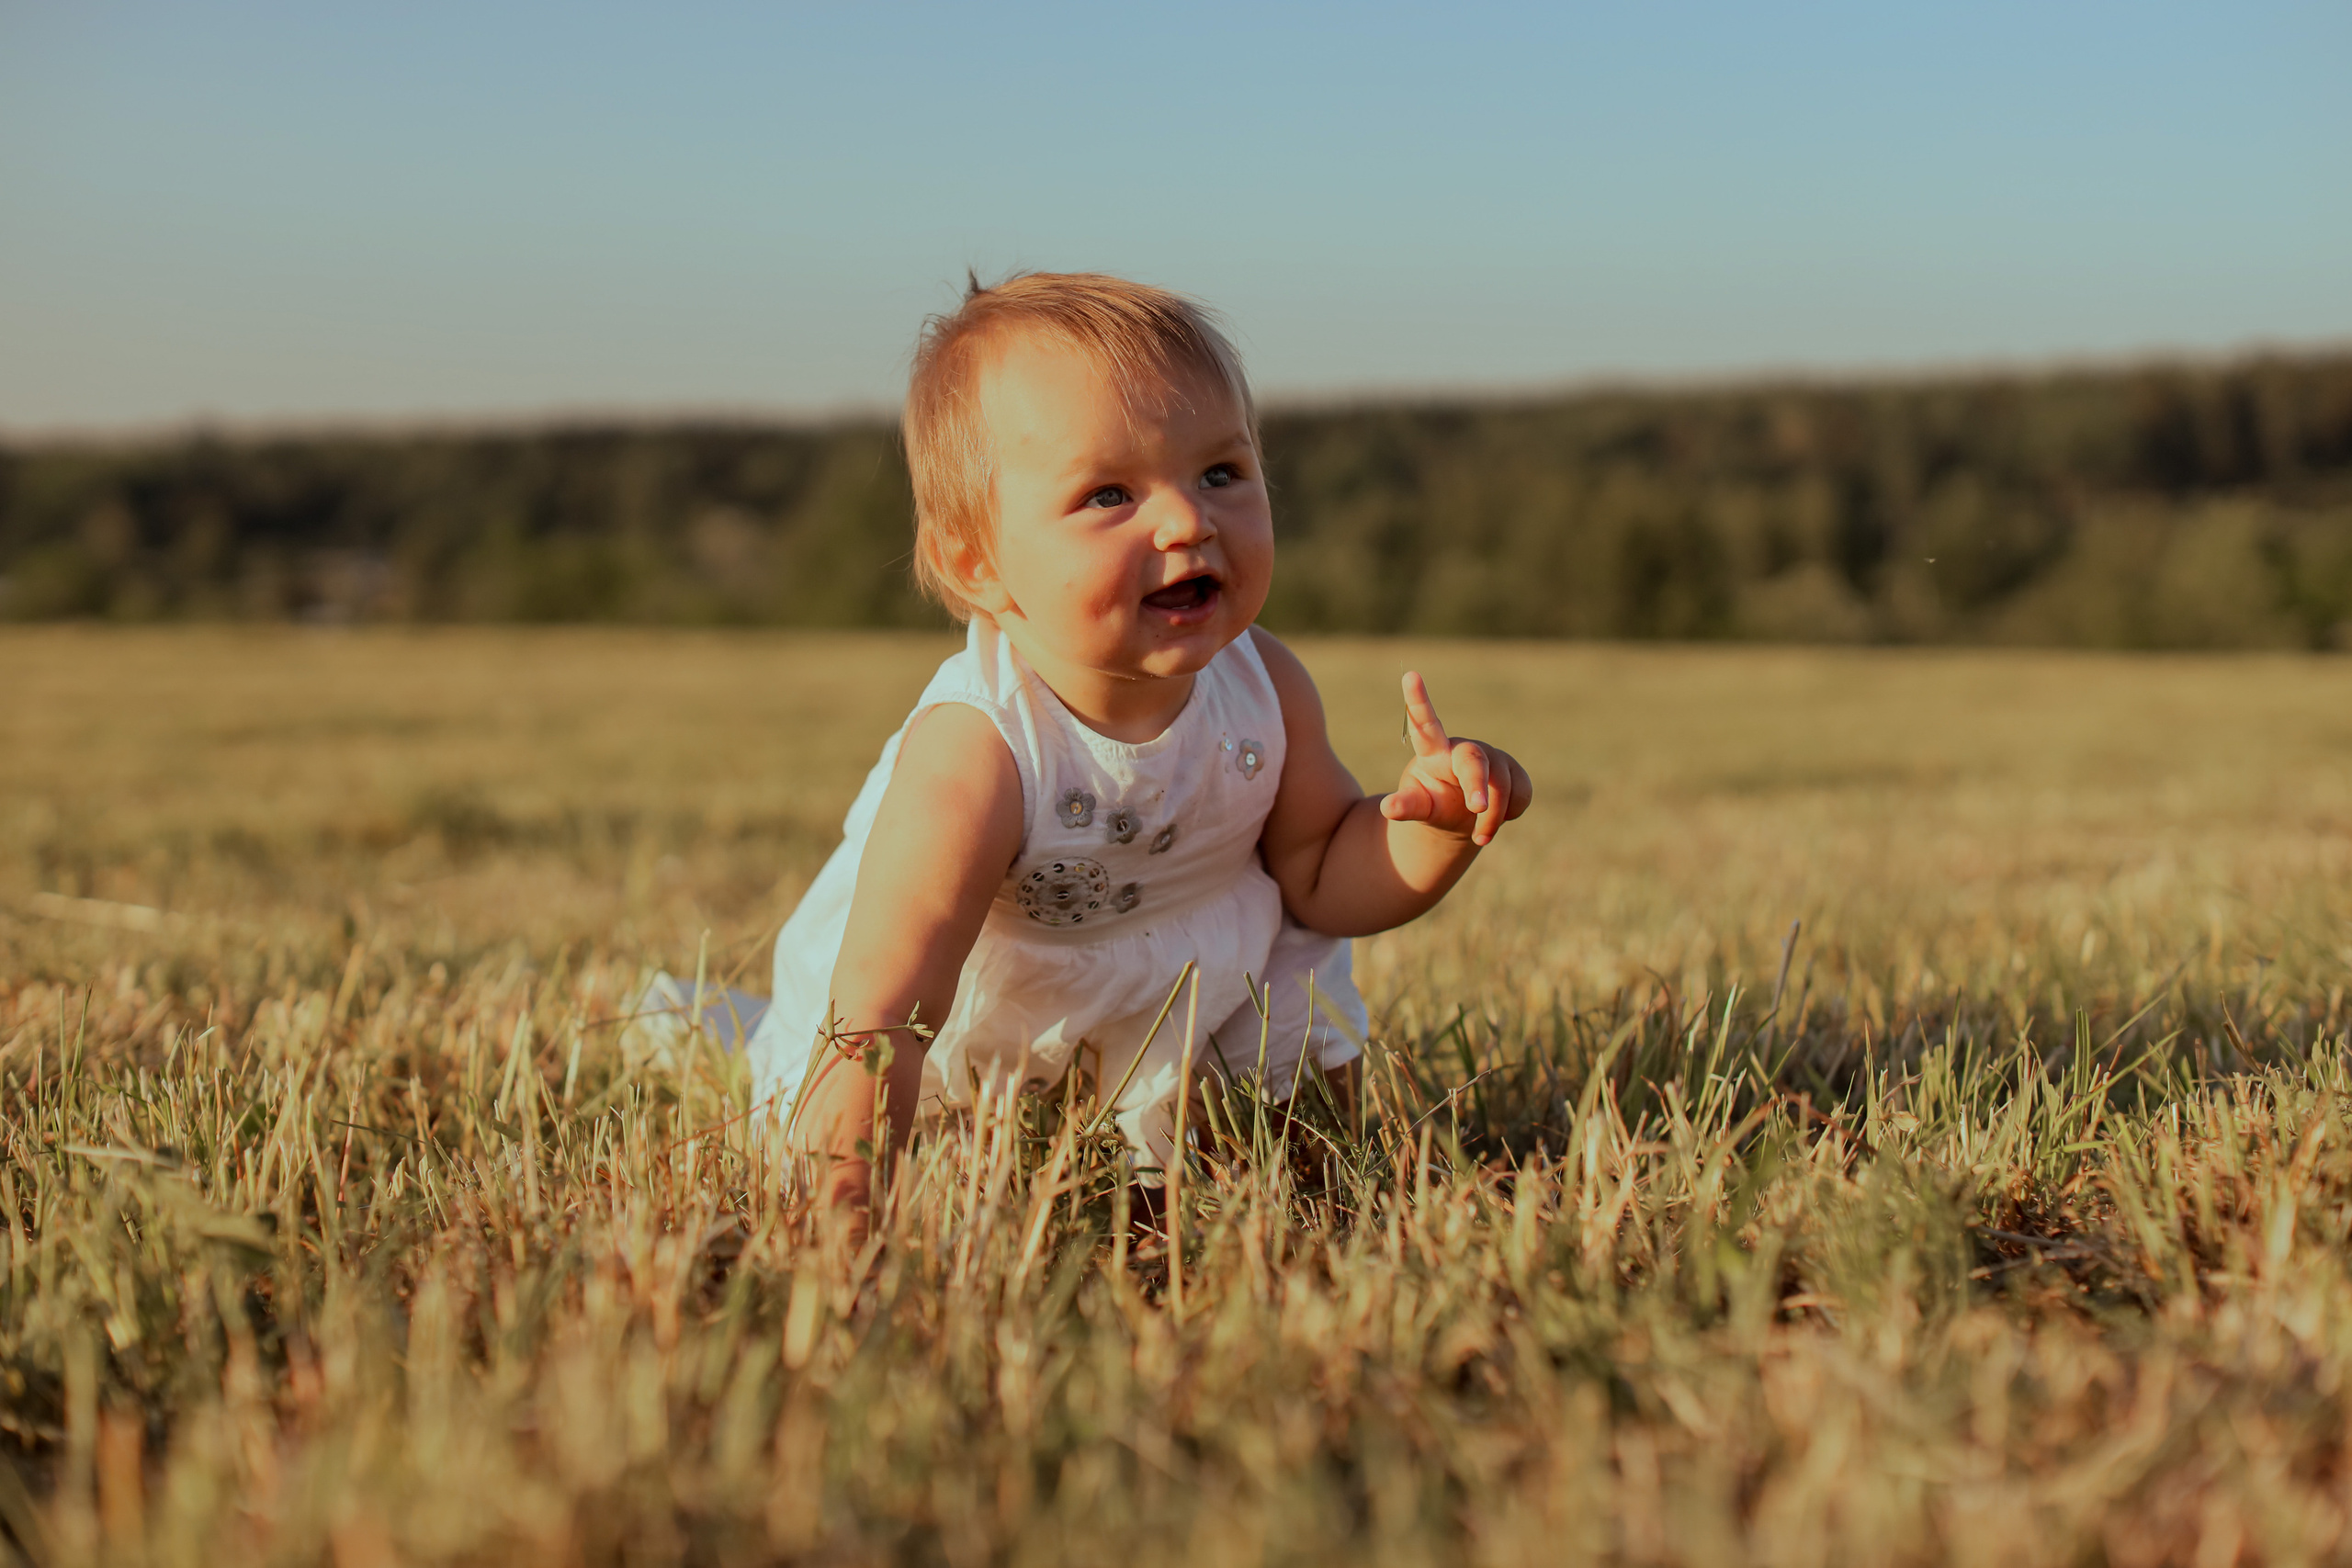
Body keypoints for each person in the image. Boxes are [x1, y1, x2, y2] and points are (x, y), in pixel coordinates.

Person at [747, 272, 1532, 1214]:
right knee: (964, 1155)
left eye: (1220, 473)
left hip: (1191, 966)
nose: (1188, 520)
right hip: (1000, 1010)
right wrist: (843, 1184)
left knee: (1297, 1110)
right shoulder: (980, 750)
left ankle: (1321, 1187)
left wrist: (1434, 826)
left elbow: (1322, 877)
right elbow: (885, 1008)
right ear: (977, 562)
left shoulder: (1265, 686)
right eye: (1109, 494)